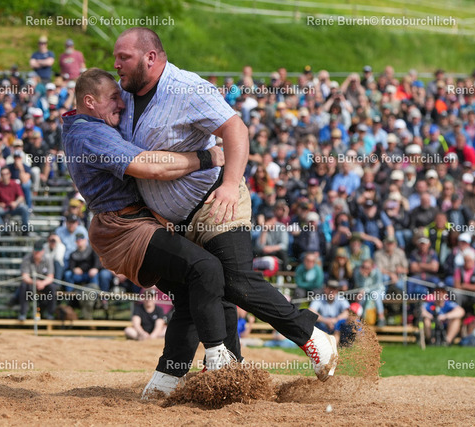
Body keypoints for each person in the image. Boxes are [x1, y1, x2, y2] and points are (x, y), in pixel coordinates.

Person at [113, 28, 336, 395]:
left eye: (124, 57)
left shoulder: (187, 88)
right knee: (200, 289)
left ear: (150, 58)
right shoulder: (122, 95)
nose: (116, 64)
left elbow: (235, 129)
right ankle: (216, 373)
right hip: (174, 220)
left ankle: (312, 335)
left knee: (233, 280)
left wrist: (231, 183)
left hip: (216, 200)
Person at [62, 68, 238, 389]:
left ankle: (164, 382)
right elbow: (151, 167)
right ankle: (219, 362)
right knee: (206, 268)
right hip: (123, 228)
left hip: (130, 223)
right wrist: (208, 156)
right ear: (89, 101)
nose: (121, 104)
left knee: (190, 291)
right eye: (113, 98)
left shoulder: (87, 126)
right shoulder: (89, 133)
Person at [17, 240, 57, 321]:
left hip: (44, 284)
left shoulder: (48, 259)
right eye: (36, 250)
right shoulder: (27, 259)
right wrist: (35, 282)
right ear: (33, 250)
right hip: (30, 283)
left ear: (43, 251)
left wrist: (42, 283)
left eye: (39, 250)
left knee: (52, 287)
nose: (37, 252)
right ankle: (23, 313)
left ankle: (50, 313)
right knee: (23, 286)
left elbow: (50, 277)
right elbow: (25, 276)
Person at [0, 166, 30, 233]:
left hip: (14, 208)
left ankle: (25, 230)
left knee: (25, 208)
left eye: (6, 174)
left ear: (10, 174)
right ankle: (4, 230)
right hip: (4, 208)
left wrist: (16, 203)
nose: (5, 176)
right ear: (1, 175)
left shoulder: (15, 184)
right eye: (3, 174)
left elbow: (21, 197)